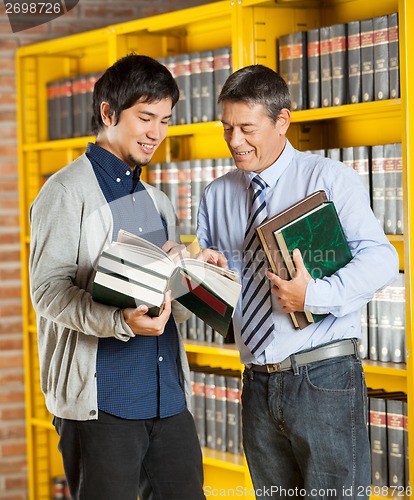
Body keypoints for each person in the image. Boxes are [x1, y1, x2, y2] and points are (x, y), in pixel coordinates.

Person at [196, 64, 399, 499]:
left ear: (282, 121)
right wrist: (203, 275)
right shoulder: (217, 194)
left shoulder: (328, 178)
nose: (234, 141)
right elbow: (216, 300)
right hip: (255, 381)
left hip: (323, 376)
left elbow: (383, 259)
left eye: (247, 128)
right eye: (226, 128)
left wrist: (315, 295)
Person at [29, 54, 206, 500]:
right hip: (102, 405)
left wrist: (197, 279)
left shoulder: (158, 200)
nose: (156, 133)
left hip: (168, 399)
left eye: (165, 120)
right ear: (107, 113)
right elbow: (47, 293)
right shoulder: (65, 191)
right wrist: (121, 322)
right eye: (145, 117)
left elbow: (169, 308)